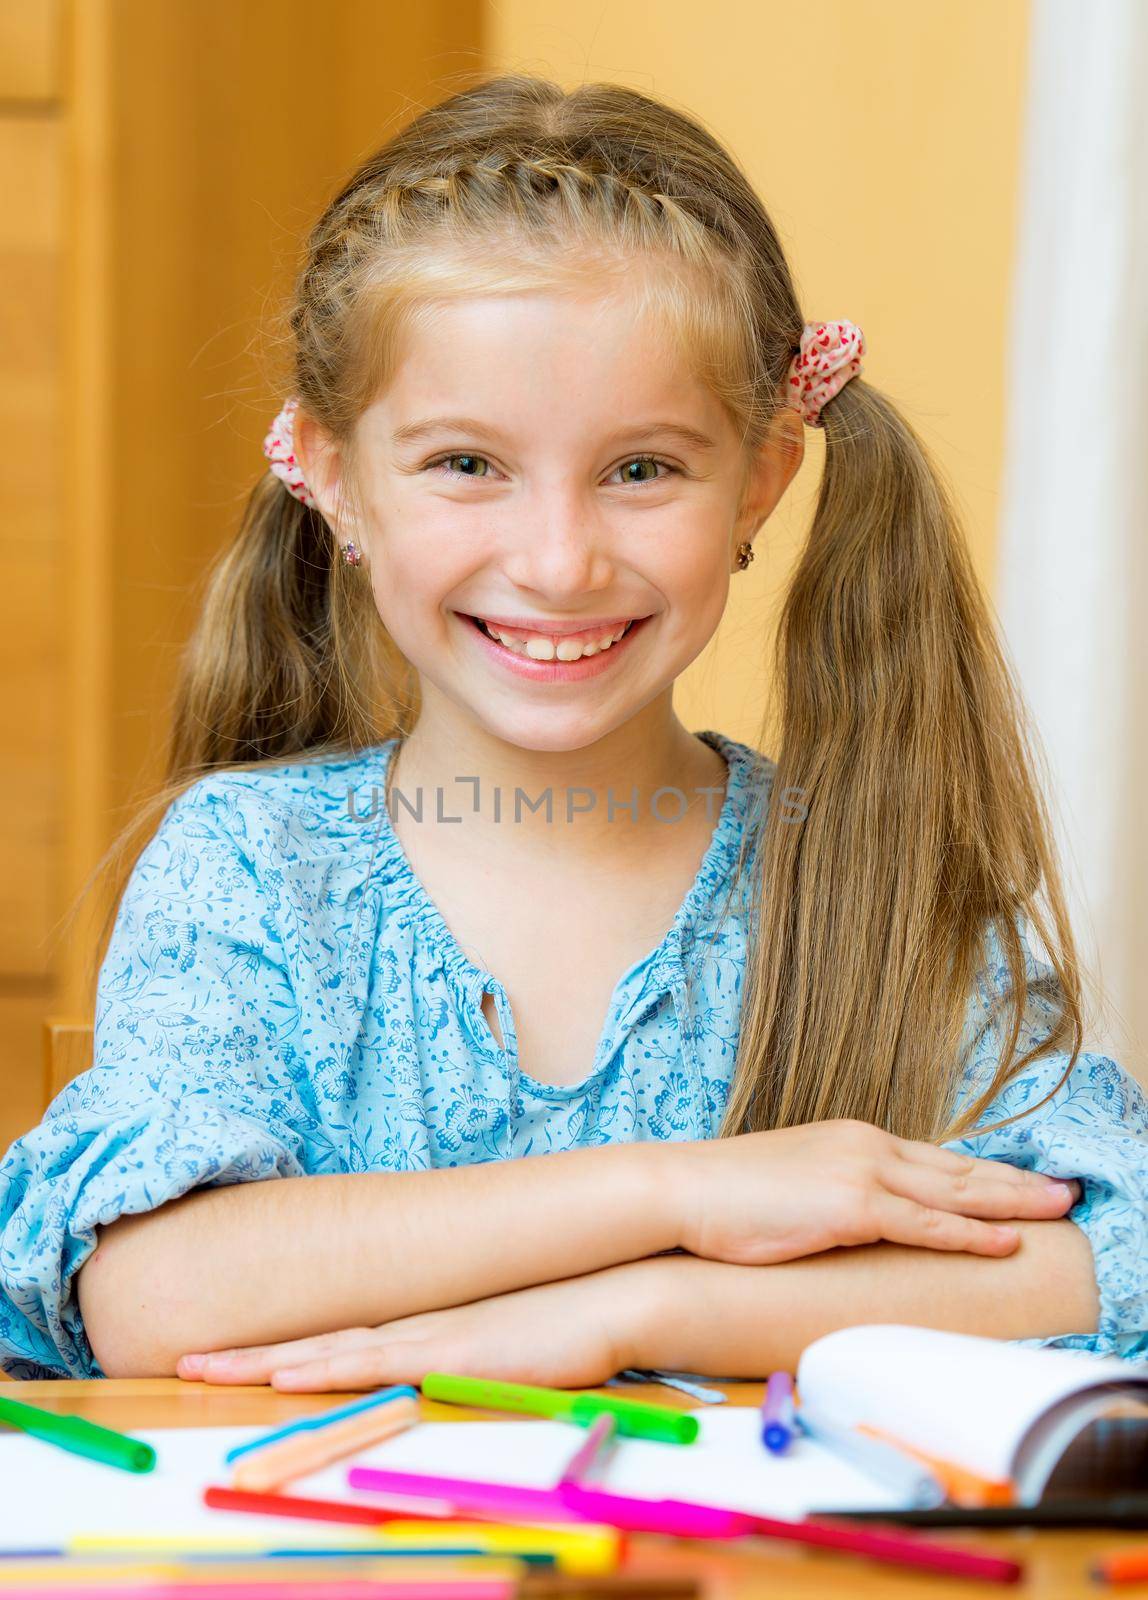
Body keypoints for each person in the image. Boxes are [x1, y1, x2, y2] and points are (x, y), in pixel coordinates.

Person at [1, 74, 1145, 1386]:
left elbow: (1113, 1254)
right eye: (467, 465)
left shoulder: (871, 881)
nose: (557, 561)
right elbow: (155, 1295)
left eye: (642, 468)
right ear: (331, 475)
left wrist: (638, 1312)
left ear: (762, 478)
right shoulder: (255, 868)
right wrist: (677, 1196)